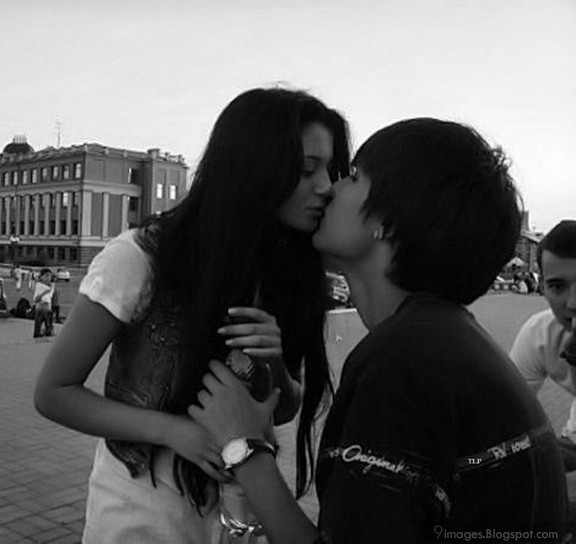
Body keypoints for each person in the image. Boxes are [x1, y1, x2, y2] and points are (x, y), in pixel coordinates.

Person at [190, 118, 567, 543]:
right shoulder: (446, 342)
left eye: (353, 177)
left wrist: (243, 447)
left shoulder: (402, 363)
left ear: (387, 220)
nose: (330, 188)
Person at [34, 87, 350, 543]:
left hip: (238, 517)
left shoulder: (288, 272)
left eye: (329, 169)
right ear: (253, 167)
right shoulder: (142, 257)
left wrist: (276, 367)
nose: (325, 186)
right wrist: (172, 431)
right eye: (306, 169)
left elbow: (284, 409)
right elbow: (53, 392)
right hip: (139, 516)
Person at [510, 220, 576, 471]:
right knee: (483, 464)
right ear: (543, 289)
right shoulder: (540, 334)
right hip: (572, 443)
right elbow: (507, 414)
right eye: (557, 287)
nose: (572, 303)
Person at [32, 268, 54, 337]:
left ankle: (47, 332)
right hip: (40, 307)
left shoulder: (52, 286)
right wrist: (44, 292)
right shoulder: (38, 285)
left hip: (48, 307)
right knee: (38, 328)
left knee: (48, 328)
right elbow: (36, 299)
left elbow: (50, 296)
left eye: (49, 276)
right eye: (46, 276)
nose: (48, 278)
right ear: (41, 277)